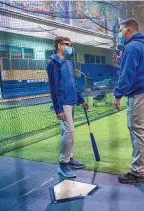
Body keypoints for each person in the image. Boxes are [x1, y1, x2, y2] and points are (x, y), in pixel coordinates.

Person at [113, 18, 144, 184]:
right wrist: (121, 60)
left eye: (121, 30)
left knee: (137, 130)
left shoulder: (131, 47)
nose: (119, 33)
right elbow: (134, 67)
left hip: (139, 93)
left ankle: (138, 172)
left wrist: (118, 95)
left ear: (129, 30)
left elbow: (127, 75)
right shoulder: (142, 45)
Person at [47, 36, 88, 178]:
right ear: (59, 46)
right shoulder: (53, 63)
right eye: (67, 44)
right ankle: (63, 164)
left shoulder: (69, 64)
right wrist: (58, 109)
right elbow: (53, 88)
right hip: (63, 102)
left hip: (72, 100)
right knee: (70, 132)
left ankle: (69, 158)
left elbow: (72, 84)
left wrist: (81, 99)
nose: (70, 47)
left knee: (68, 132)